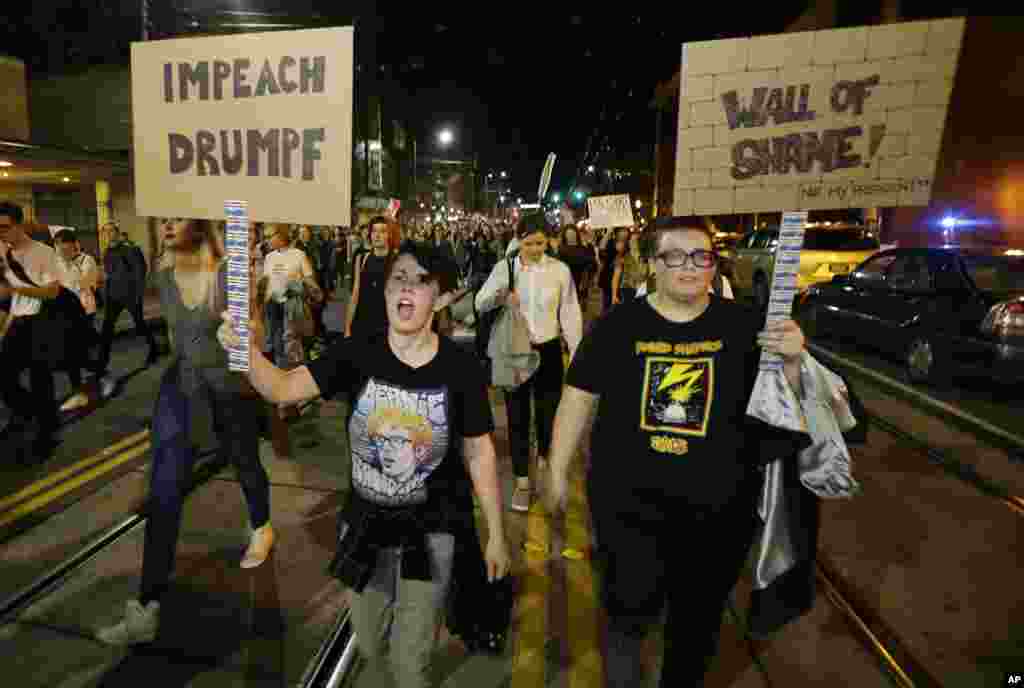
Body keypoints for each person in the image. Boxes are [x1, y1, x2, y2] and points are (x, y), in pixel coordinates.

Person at [217, 240, 511, 688]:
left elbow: (479, 450)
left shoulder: (460, 368)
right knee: (372, 645)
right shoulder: (358, 353)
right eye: (398, 278)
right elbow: (283, 388)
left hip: (432, 534)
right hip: (366, 530)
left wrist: (495, 534)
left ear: (441, 296)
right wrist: (245, 352)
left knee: (409, 667)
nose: (406, 289)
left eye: (421, 281)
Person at [545, 217, 807, 686]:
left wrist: (790, 361)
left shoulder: (747, 325)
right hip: (629, 515)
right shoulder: (616, 327)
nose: (689, 266)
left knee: (696, 629)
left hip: (718, 517)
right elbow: (577, 397)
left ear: (713, 264)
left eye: (701, 256)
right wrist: (557, 471)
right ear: (651, 264)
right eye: (674, 256)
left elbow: (780, 408)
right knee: (625, 623)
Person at [96, 217, 274, 646]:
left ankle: (262, 524)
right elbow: (178, 339)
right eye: (165, 220)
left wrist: (246, 328)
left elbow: (255, 333)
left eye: (176, 219)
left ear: (196, 224)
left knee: (245, 461)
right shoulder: (163, 274)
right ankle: (147, 607)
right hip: (181, 389)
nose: (166, 226)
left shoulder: (229, 272)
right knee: (165, 492)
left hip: (227, 384)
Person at [475, 213, 582, 513]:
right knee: (517, 416)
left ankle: (547, 469)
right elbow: (480, 302)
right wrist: (500, 297)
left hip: (548, 351)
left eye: (541, 242)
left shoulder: (560, 271)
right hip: (515, 352)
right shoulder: (505, 268)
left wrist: (575, 353)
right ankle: (523, 482)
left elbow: (570, 313)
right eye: (530, 242)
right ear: (518, 239)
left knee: (549, 415)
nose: (536, 248)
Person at [0, 202, 62, 463]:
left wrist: (18, 290)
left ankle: (46, 434)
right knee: (4, 377)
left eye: (3, 227)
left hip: (41, 322)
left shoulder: (43, 253)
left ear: (20, 225)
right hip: (17, 322)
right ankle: (28, 412)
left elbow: (52, 291)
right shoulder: (2, 250)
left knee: (41, 381)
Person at [96, 221, 161, 374]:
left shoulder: (131, 249)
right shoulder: (107, 252)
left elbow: (140, 273)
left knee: (140, 324)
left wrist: (138, 295)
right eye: (105, 232)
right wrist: (106, 293)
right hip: (113, 297)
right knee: (107, 329)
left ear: (117, 232)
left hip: (130, 295)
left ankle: (153, 350)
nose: (108, 234)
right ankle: (101, 362)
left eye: (111, 231)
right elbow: (109, 275)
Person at [53, 229, 105, 412]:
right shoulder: (56, 262)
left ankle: (98, 372)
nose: (59, 251)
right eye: (57, 246)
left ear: (73, 244)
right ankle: (82, 388)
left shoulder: (86, 260)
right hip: (64, 314)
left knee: (78, 351)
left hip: (84, 311)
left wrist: (68, 265)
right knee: (72, 353)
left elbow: (83, 284)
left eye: (62, 246)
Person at [346, 216, 395, 339]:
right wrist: (347, 327)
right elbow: (355, 294)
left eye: (382, 231)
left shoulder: (397, 260)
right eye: (374, 231)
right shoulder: (361, 258)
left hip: (387, 327)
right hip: (362, 324)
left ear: (389, 235)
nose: (377, 235)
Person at [611, 232, 649, 305]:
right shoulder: (622, 257)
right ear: (628, 242)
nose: (634, 242)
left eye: (637, 240)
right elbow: (615, 278)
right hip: (628, 291)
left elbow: (652, 276)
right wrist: (614, 295)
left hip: (643, 292)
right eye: (632, 240)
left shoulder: (646, 257)